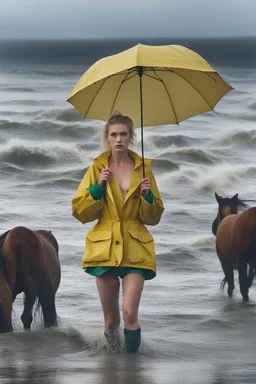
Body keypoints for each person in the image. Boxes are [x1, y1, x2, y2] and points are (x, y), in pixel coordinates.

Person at [72, 112, 164, 353]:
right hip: (104, 247)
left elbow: (153, 217)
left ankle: (132, 367)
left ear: (131, 136)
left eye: (123, 133)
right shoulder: (97, 169)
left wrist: (148, 197)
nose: (119, 139)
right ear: (107, 137)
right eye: (114, 134)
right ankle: (113, 365)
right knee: (111, 321)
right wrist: (97, 189)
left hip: (136, 246)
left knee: (130, 314)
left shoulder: (144, 170)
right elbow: (80, 212)